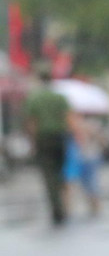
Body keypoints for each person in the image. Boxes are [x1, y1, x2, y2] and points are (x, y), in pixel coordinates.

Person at [23, 62, 72, 226]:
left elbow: (32, 123)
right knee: (61, 172)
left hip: (43, 139)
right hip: (60, 137)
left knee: (49, 175)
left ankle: (57, 210)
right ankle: (64, 204)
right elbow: (68, 118)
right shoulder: (59, 97)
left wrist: (32, 143)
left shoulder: (34, 98)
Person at [64, 111, 104, 217]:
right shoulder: (74, 127)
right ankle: (93, 206)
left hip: (87, 157)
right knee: (87, 184)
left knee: (89, 183)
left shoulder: (88, 125)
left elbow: (98, 140)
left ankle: (94, 206)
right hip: (83, 158)